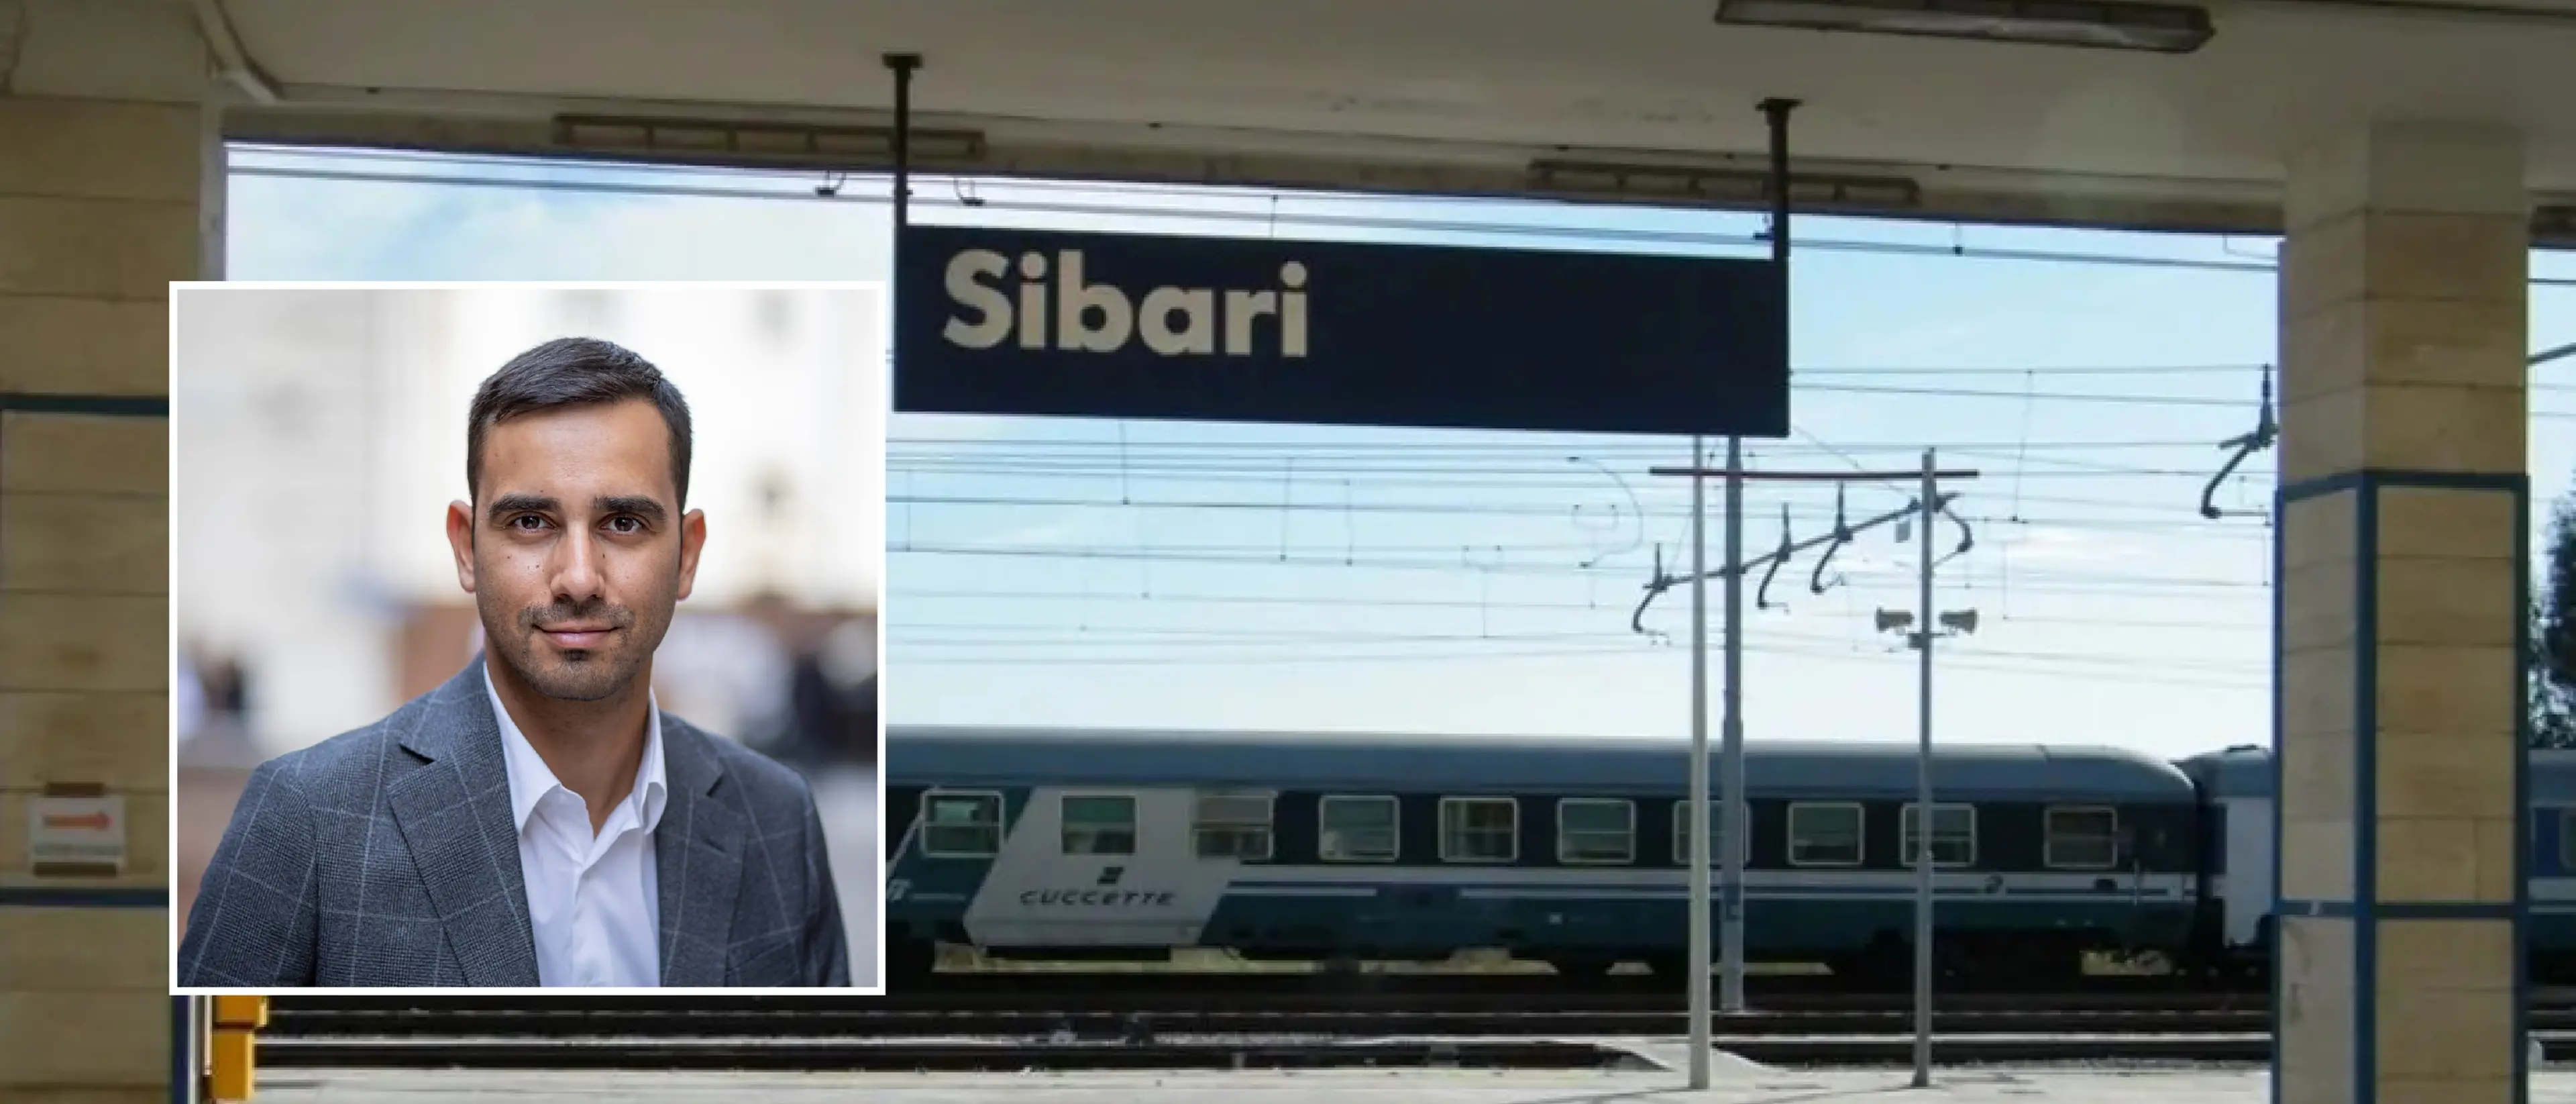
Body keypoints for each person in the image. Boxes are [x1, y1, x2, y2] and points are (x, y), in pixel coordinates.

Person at [178, 337, 851, 988]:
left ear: (689, 553)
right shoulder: (311, 817)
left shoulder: (776, 820)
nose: (579, 577)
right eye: (531, 522)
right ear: (466, 548)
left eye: (623, 523)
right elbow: (200, 1056)